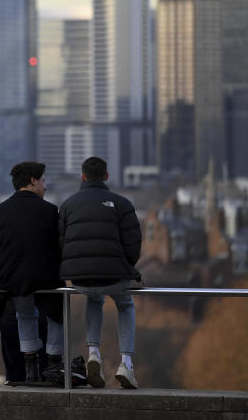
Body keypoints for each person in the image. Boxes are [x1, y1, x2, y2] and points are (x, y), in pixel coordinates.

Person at [59, 156, 142, 389]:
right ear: (106, 176)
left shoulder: (68, 204)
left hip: (81, 278)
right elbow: (134, 243)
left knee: (94, 299)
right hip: (115, 276)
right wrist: (125, 266)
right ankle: (126, 363)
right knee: (125, 305)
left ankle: (94, 353)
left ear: (82, 177)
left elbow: (61, 242)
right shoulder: (122, 204)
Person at [0, 161, 64, 385]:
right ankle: (54, 365)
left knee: (25, 315)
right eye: (43, 181)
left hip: (13, 281)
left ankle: (30, 367)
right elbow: (59, 247)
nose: (45, 186)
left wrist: (9, 260)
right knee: (57, 316)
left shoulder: (0, 210)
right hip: (46, 279)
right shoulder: (49, 211)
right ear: (33, 180)